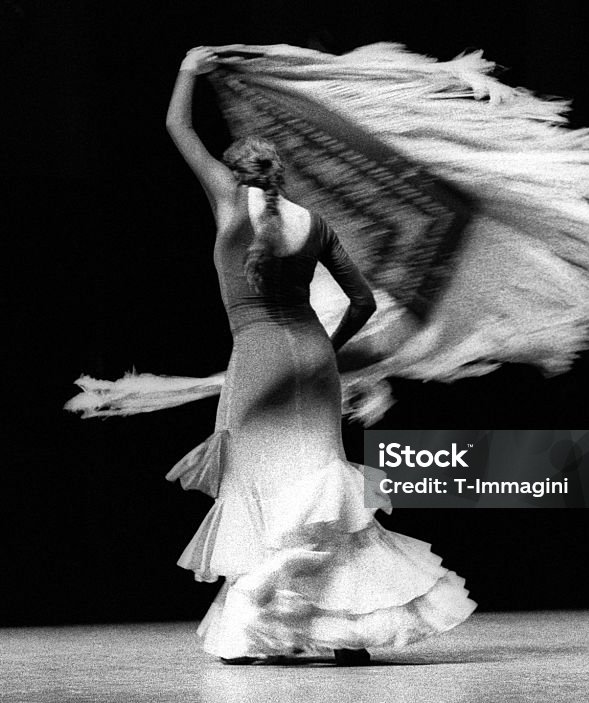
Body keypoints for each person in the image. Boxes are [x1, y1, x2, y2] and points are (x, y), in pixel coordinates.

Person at [163, 46, 477, 665]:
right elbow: (360, 304)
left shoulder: (229, 202)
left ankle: (267, 632)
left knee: (264, 489)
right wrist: (326, 354)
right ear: (282, 175)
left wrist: (189, 69)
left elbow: (178, 127)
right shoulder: (316, 222)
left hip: (257, 363)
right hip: (314, 360)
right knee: (324, 490)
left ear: (238, 171)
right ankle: (349, 633)